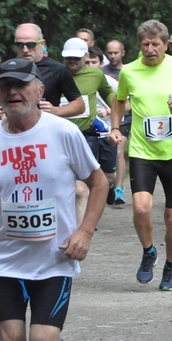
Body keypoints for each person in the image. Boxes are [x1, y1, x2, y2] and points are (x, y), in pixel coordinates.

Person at [0, 57, 108, 341]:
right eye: (6, 85)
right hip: (4, 261)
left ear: (39, 91)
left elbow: (99, 183)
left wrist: (85, 232)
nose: (13, 91)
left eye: (21, 85)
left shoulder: (64, 132)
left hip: (53, 259)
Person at [108, 20, 172, 291]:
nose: (150, 49)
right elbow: (119, 99)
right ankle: (149, 251)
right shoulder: (129, 71)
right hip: (142, 150)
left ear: (166, 45)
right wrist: (116, 127)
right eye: (145, 44)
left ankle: (171, 265)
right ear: (140, 45)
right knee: (141, 208)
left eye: (156, 44)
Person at [61, 38, 117, 215]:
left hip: (86, 135)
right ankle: (79, 223)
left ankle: (84, 221)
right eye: (68, 57)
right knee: (74, 185)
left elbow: (108, 93)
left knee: (95, 179)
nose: (72, 61)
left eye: (76, 58)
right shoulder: (56, 73)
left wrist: (116, 115)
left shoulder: (95, 74)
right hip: (59, 136)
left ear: (86, 56)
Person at [2, 23, 84, 120]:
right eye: (20, 45)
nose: (25, 49)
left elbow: (80, 105)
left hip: (47, 130)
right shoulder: (8, 68)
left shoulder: (56, 69)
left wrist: (56, 111)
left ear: (42, 44)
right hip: (15, 130)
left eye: (31, 45)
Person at [101, 39, 129, 204]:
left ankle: (119, 188)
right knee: (112, 153)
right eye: (109, 53)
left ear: (122, 53)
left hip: (127, 117)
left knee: (119, 151)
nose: (112, 56)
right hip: (106, 120)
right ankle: (110, 184)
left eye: (115, 53)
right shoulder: (101, 72)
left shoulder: (129, 71)